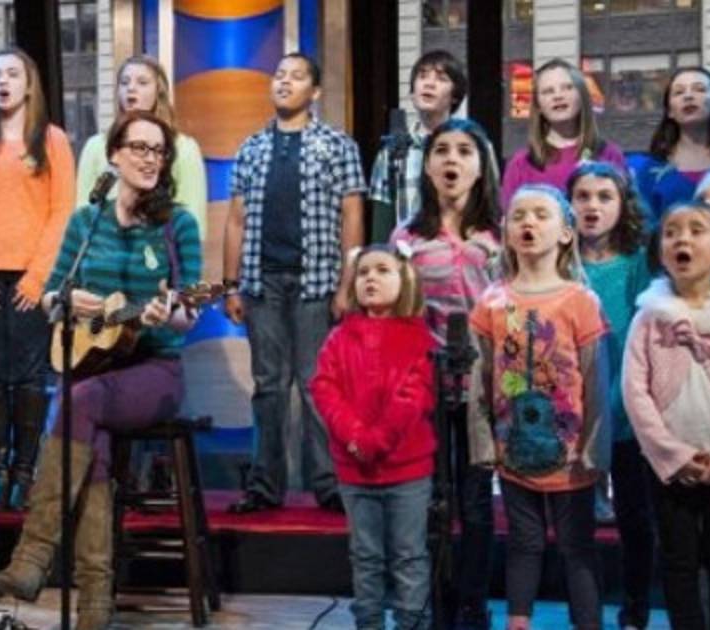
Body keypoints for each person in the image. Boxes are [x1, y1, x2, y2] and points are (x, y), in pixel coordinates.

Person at [0, 110, 202, 630]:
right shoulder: (86, 222)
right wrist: (70, 301)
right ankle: (94, 606)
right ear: (114, 155)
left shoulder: (177, 225)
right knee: (91, 433)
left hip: (155, 371)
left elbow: (189, 313)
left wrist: (166, 312)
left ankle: (34, 554)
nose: (150, 159)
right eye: (140, 148)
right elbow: (50, 298)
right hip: (91, 366)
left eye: (159, 151)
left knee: (78, 402)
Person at [223, 52, 364, 514]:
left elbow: (352, 215)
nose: (284, 82)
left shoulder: (337, 145)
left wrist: (347, 284)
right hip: (262, 283)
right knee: (269, 386)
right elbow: (237, 219)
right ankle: (265, 485)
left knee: (317, 384)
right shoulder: (251, 147)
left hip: (316, 283)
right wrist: (230, 284)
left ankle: (328, 483)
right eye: (279, 75)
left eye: (297, 76)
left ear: (315, 91)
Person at [469, 185, 609, 630]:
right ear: (507, 231)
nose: (528, 222)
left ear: (566, 233)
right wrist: (483, 443)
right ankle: (518, 622)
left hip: (571, 457)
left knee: (577, 547)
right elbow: (479, 378)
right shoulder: (492, 301)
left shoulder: (580, 301)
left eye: (540, 215)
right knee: (523, 542)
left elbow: (596, 380)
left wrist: (595, 449)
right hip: (513, 453)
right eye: (519, 215)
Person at [390, 117, 503, 628]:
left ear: (481, 166)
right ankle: (435, 603)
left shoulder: (499, 236)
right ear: (428, 166)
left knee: (476, 504)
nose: (451, 159)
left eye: (463, 151)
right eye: (441, 150)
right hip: (426, 390)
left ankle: (474, 607)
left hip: (483, 390)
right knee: (431, 503)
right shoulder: (407, 237)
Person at [0, 47, 75, 513]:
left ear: (29, 85)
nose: (3, 82)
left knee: (29, 378)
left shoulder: (51, 140)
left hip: (34, 277)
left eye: (12, 74)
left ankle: (25, 473)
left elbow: (62, 212)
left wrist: (38, 277)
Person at [310, 243, 436, 630]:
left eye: (382, 270)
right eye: (363, 272)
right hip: (355, 470)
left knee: (408, 555)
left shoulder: (419, 338)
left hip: (407, 471)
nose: (370, 279)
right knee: (365, 556)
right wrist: (355, 436)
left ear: (404, 280)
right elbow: (325, 388)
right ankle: (369, 623)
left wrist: (376, 440)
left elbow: (414, 395)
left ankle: (412, 622)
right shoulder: (339, 338)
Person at [567, 162, 655, 630]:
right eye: (582, 197)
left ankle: (635, 610)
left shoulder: (638, 261)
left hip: (628, 409)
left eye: (605, 197)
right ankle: (587, 614)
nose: (592, 206)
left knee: (635, 519)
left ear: (623, 205)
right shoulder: (563, 264)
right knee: (575, 524)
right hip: (573, 412)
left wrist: (626, 403)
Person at [623, 200, 710, 630]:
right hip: (670, 469)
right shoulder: (649, 318)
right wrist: (674, 457)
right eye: (672, 232)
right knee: (679, 561)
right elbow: (635, 394)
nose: (683, 239)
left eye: (697, 230)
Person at [368, 49, 498, 244]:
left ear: (455, 95)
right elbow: (381, 226)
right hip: (410, 255)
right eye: (422, 76)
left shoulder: (478, 146)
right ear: (412, 92)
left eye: (441, 78)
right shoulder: (393, 151)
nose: (429, 83)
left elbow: (491, 206)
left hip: (465, 253)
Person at [76, 54, 207, 238]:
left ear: (159, 92)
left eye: (142, 82)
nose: (131, 88)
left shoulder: (183, 149)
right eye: (124, 82)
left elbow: (193, 225)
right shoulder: (96, 147)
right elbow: (82, 217)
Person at [500, 59, 627, 209]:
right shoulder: (521, 164)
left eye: (567, 88)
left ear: (582, 96)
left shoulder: (609, 155)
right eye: (548, 91)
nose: (558, 96)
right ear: (538, 105)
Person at [629, 68, 710, 227]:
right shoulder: (648, 171)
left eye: (699, 89)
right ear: (670, 110)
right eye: (679, 92)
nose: (688, 96)